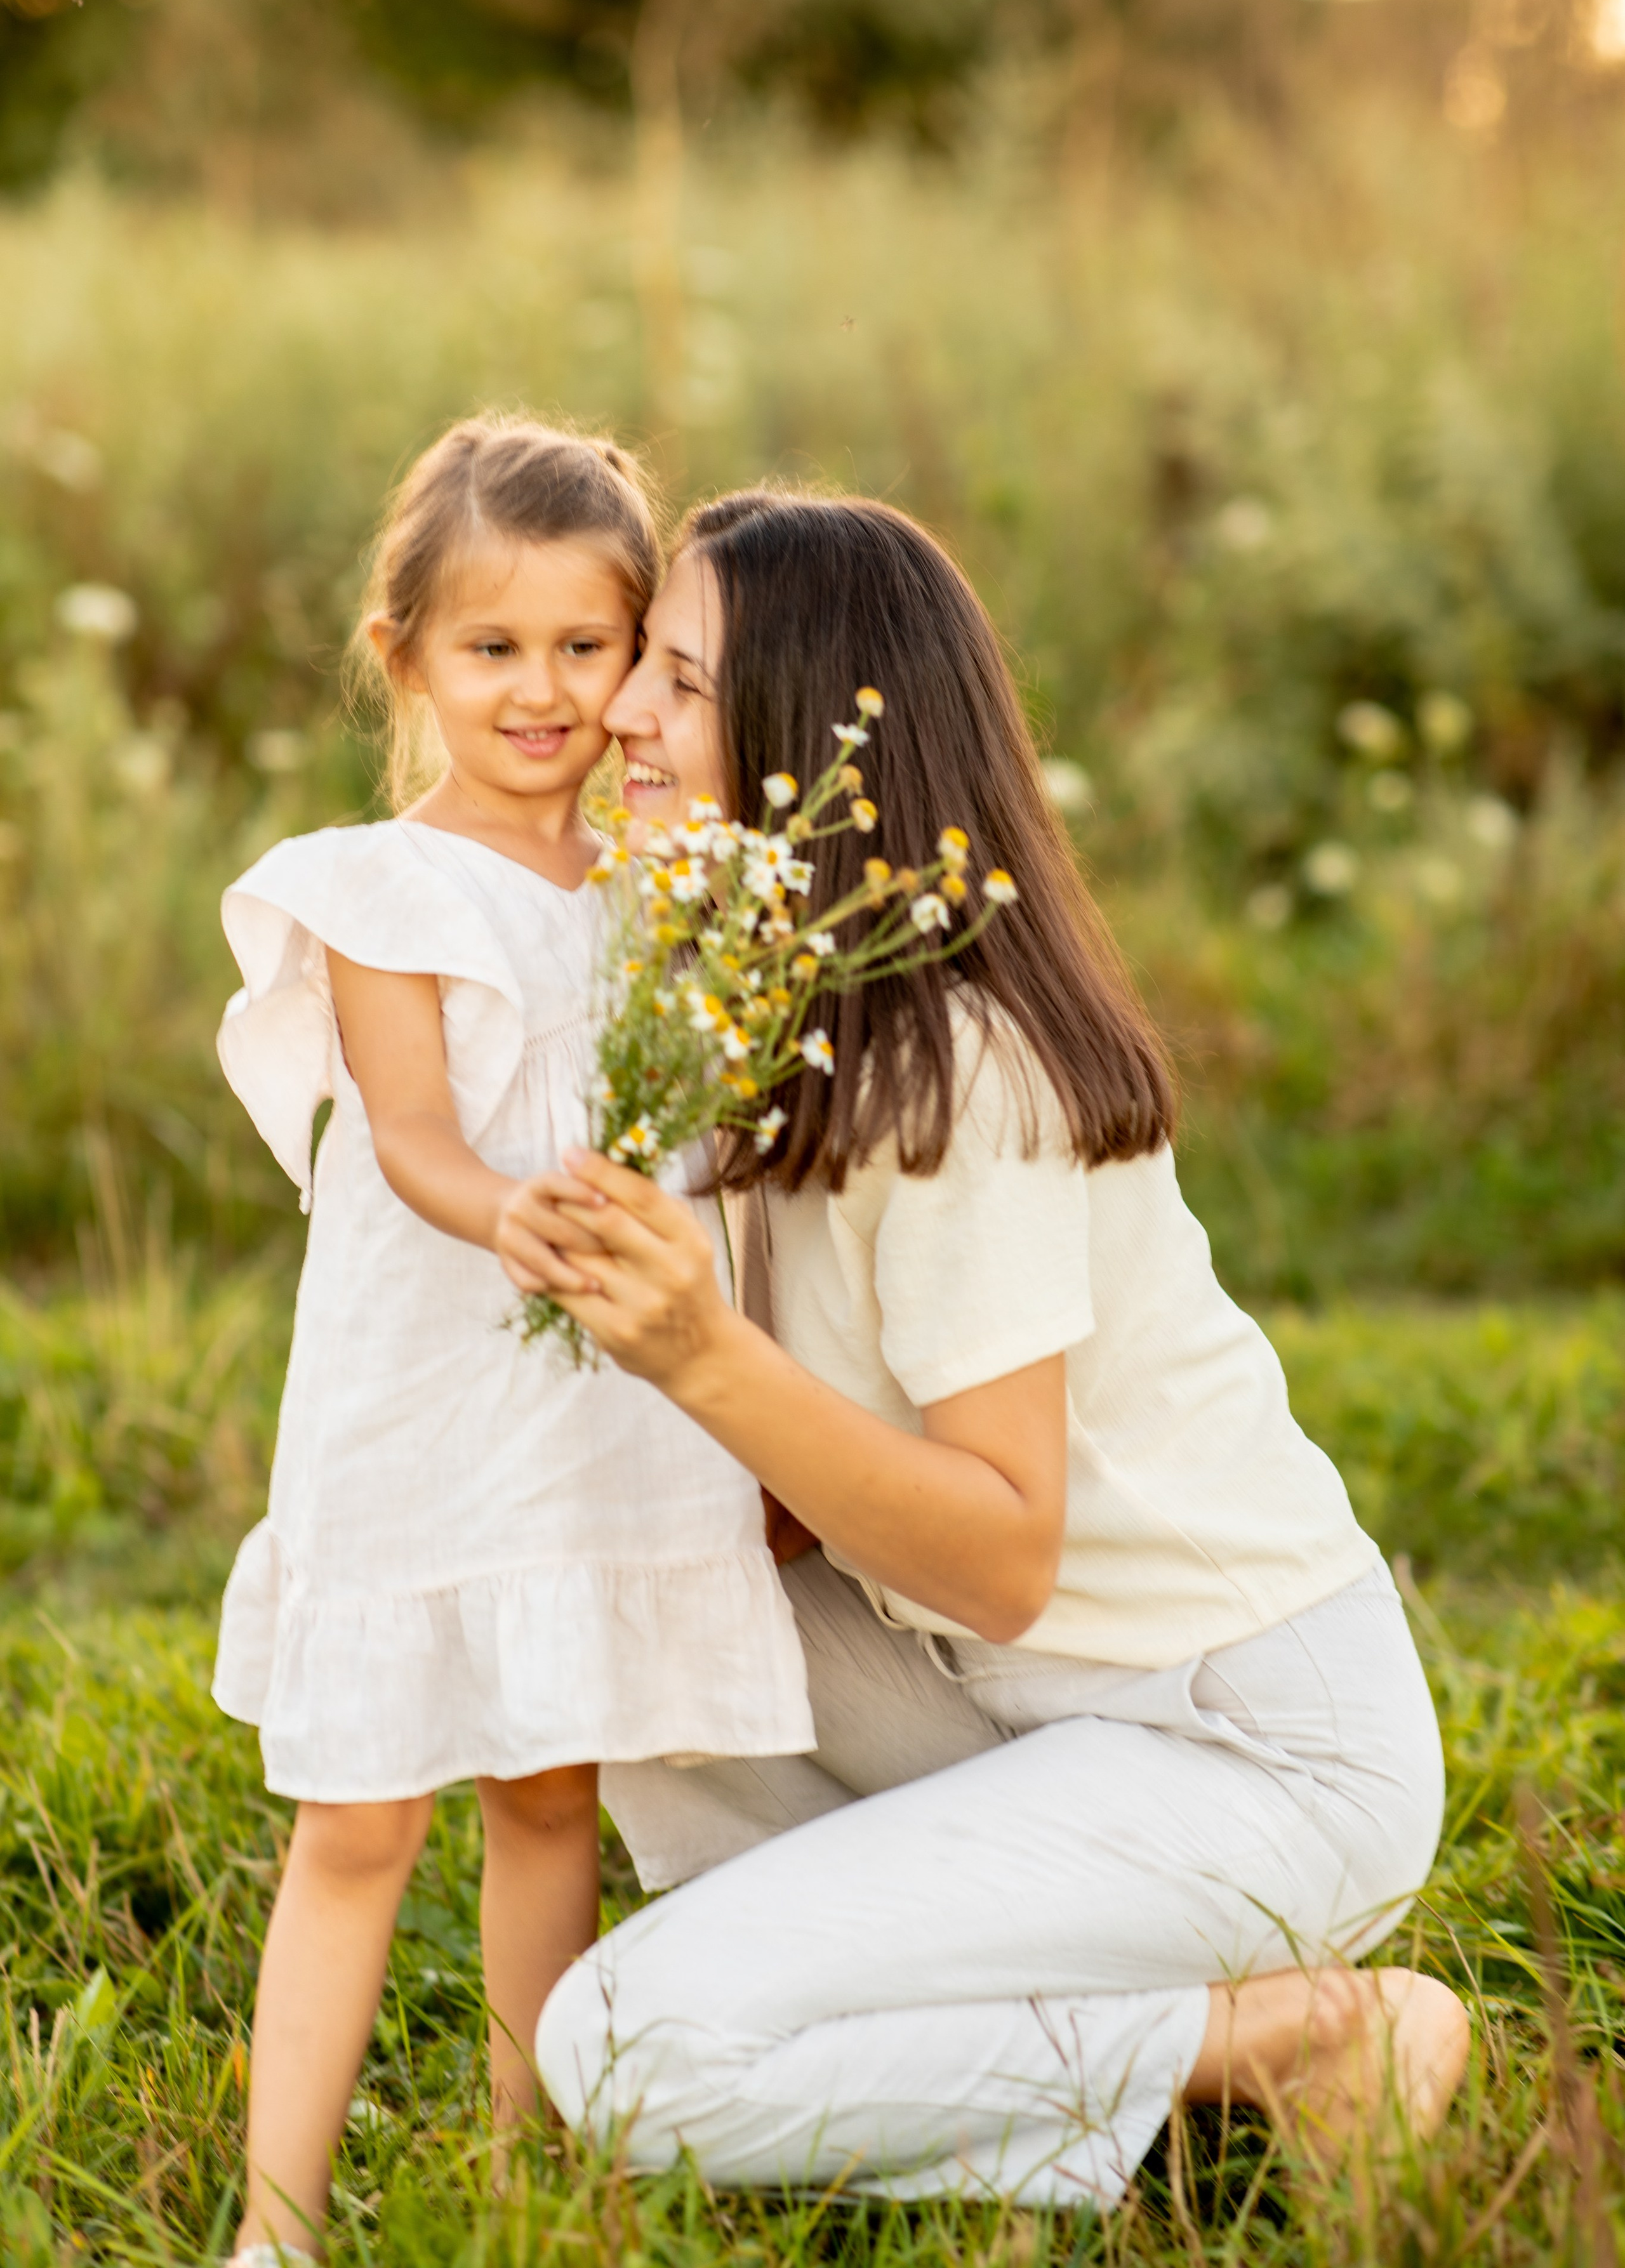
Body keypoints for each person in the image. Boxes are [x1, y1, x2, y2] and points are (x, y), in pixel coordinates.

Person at [509, 491, 1471, 2212]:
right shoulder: (752, 1006)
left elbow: (1006, 1553)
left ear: (809, 737)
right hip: (1014, 1706)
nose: (621, 717)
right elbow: (793, 1510)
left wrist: (703, 1357)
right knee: (629, 1610)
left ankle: (1293, 2036)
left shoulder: (957, 1071)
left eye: (674, 680)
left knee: (633, 2057)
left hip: (1242, 1747)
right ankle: (1051, 2021)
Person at [212, 424, 812, 2267]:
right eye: (493, 649)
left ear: (644, 655)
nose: (544, 692)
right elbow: (411, 1141)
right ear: (403, 657)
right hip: (431, 1394)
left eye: (588, 646)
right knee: (362, 1818)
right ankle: (277, 2223)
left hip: (614, 1407)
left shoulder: (680, 879)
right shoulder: (381, 887)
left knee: (555, 1786)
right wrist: (522, 1220)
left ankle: (528, 2176)